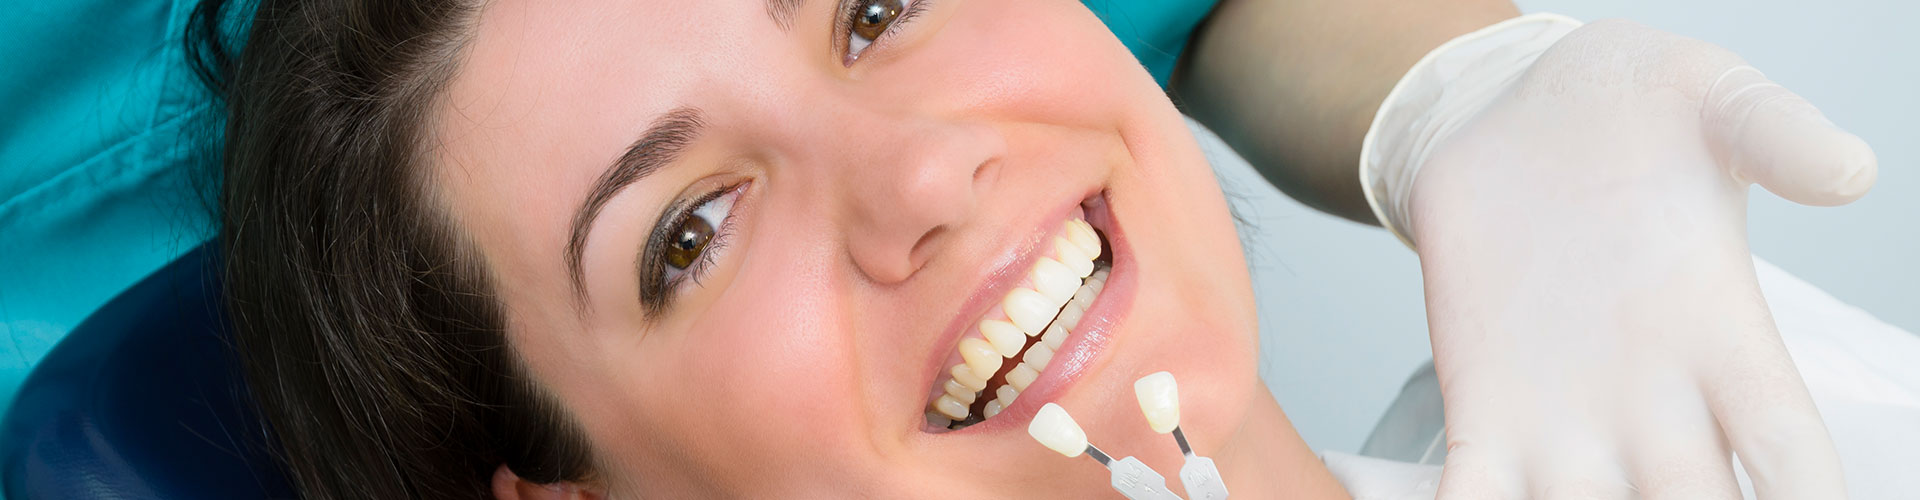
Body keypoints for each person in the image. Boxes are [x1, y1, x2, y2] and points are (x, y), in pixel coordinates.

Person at [57, 0, 1896, 498]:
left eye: (874, 4)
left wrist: (1469, 84)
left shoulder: (1738, 405)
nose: (919, 175)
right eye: (688, 232)